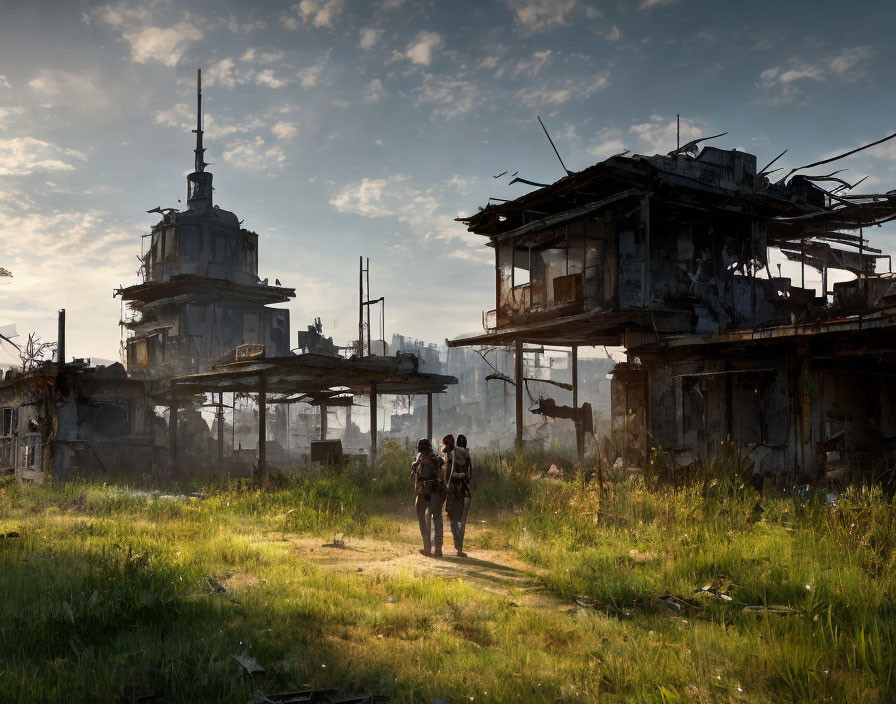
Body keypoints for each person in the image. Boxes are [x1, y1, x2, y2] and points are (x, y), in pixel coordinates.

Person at [410, 437, 445, 557]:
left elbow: (415, 475)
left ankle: (427, 548)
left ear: (419, 447)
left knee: (421, 518)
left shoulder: (419, 458)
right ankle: (438, 549)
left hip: (423, 492)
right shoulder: (436, 458)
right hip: (435, 491)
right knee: (437, 519)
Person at [443, 433, 473, 557]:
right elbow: (469, 476)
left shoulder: (451, 456)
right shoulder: (466, 456)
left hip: (454, 492)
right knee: (461, 521)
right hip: (464, 492)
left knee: (453, 520)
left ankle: (458, 546)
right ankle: (459, 548)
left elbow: (448, 476)